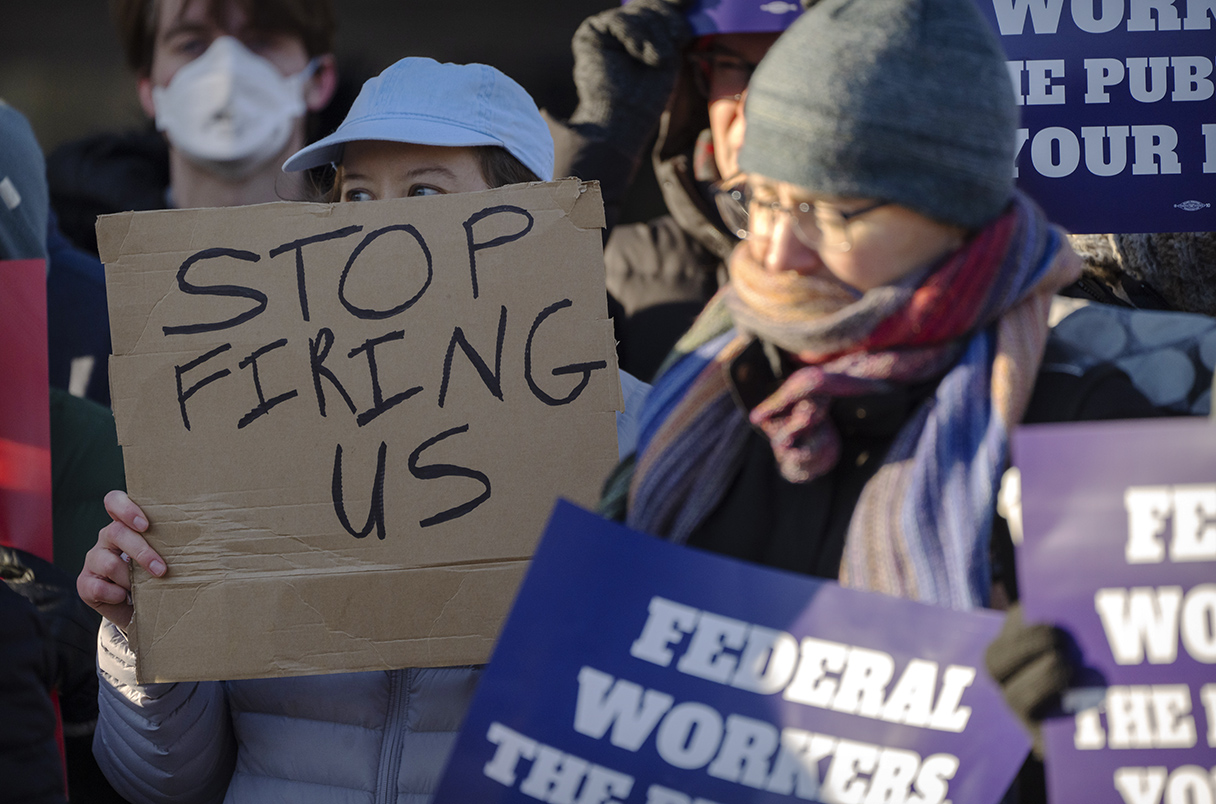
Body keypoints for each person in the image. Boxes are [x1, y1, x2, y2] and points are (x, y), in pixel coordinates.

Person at [597, 1, 1165, 800]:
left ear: (953, 208)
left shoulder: (1087, 424)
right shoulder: (711, 388)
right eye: (757, 199)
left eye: (828, 211)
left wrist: (1070, 734)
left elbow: (1157, 761)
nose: (775, 251)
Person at [80, 57, 645, 804]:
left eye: (422, 191)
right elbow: (166, 785)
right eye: (355, 193)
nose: (381, 223)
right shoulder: (243, 412)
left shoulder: (630, 434)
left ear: (524, 216)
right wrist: (140, 635)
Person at [551, 0, 802, 382]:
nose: (755, 106)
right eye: (733, 67)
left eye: (791, 70)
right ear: (698, 84)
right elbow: (497, 345)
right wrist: (605, 132)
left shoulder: (891, 264)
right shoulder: (622, 267)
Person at [47, 0, 339, 257]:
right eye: (191, 44)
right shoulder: (74, 266)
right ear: (149, 90)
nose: (227, 69)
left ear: (318, 79)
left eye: (261, 41)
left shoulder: (375, 248)